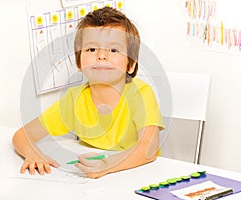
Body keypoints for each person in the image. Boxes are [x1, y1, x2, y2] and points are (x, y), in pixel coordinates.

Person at [12, 6, 165, 178]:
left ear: (130, 64)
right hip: (92, 182)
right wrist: (33, 154)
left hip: (137, 175)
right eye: (91, 49)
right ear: (79, 62)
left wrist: (107, 165)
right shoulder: (74, 99)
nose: (101, 55)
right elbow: (22, 135)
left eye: (113, 50)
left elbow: (148, 149)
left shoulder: (141, 93)